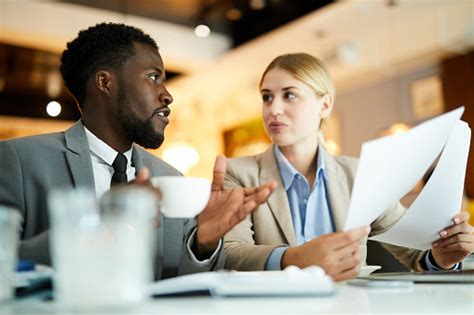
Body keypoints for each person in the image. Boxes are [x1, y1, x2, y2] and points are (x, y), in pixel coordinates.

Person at [0, 23, 276, 280]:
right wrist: (95, 222)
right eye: (153, 77)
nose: (167, 95)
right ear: (105, 83)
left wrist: (203, 244)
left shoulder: (173, 179)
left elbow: (181, 285)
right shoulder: (18, 160)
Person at [223, 53, 473, 281]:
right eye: (267, 97)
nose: (273, 109)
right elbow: (227, 254)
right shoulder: (236, 173)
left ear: (325, 105)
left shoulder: (360, 174)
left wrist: (442, 256)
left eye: (289, 95)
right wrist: (294, 258)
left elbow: (417, 252)